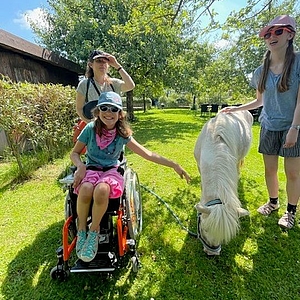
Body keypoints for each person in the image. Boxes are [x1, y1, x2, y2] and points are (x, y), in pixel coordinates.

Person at [71, 91, 191, 262]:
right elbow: (75, 153)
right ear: (98, 111)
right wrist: (80, 166)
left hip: (111, 171)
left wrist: (174, 165)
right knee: (85, 188)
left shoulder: (122, 134)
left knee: (102, 190)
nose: (108, 113)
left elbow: (147, 154)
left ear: (120, 114)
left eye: (114, 109)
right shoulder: (90, 129)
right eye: (104, 108)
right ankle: (82, 228)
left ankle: (94, 232)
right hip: (90, 168)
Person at [222, 15, 300, 229]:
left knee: (293, 172)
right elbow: (260, 101)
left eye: (278, 31)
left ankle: (290, 211)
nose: (271, 36)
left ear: (290, 35)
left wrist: (294, 128)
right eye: (268, 33)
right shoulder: (260, 71)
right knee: (270, 170)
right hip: (268, 126)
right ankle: (273, 203)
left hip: (292, 126)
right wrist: (236, 108)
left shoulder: (298, 62)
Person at [76, 49, 135, 123]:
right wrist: (91, 124)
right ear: (91, 65)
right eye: (99, 61)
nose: (102, 64)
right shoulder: (84, 84)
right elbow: (79, 108)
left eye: (105, 61)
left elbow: (130, 86)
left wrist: (117, 66)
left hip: (113, 128)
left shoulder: (113, 83)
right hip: (95, 129)